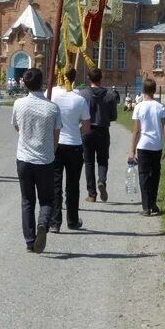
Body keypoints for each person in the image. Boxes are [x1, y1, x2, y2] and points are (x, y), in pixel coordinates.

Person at [11, 68, 61, 254]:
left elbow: (16, 127)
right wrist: (52, 149)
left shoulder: (19, 104)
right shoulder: (52, 107)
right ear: (42, 83)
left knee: (27, 201)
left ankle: (30, 241)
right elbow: (57, 134)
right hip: (46, 159)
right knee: (47, 199)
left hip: (24, 158)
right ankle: (43, 224)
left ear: (24, 83)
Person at [50, 68, 90, 232]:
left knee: (55, 184)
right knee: (73, 185)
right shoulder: (79, 99)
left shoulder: (52, 95)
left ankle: (55, 222)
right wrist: (76, 131)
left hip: (55, 145)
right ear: (74, 78)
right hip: (74, 144)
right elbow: (86, 127)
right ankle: (72, 220)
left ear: (60, 75)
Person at [128, 79, 165, 217]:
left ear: (143, 90)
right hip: (156, 146)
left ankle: (146, 206)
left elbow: (136, 131)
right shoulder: (160, 107)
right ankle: (153, 203)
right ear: (154, 91)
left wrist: (132, 150)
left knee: (144, 175)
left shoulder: (139, 107)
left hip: (143, 145)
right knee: (155, 175)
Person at [80, 67, 118, 203]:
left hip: (87, 130)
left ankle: (92, 194)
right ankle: (102, 180)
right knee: (102, 159)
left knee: (89, 162)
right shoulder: (110, 95)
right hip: (103, 130)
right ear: (101, 78)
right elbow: (114, 116)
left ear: (88, 79)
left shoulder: (82, 94)